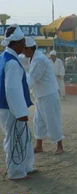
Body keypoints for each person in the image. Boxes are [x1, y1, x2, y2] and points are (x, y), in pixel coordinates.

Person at [0, 25, 37, 180]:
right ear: (17, 42)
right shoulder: (12, 63)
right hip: (12, 109)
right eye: (23, 42)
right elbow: (12, 90)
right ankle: (16, 172)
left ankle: (26, 167)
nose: (25, 45)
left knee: (24, 138)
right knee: (15, 139)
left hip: (8, 108)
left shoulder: (4, 57)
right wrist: (21, 113)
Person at [23, 37, 65, 155]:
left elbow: (31, 79)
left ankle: (60, 145)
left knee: (52, 120)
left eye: (24, 50)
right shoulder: (32, 57)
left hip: (49, 94)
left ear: (30, 49)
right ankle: (39, 145)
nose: (22, 52)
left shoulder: (39, 60)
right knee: (38, 121)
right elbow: (19, 59)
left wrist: (19, 92)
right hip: (40, 95)